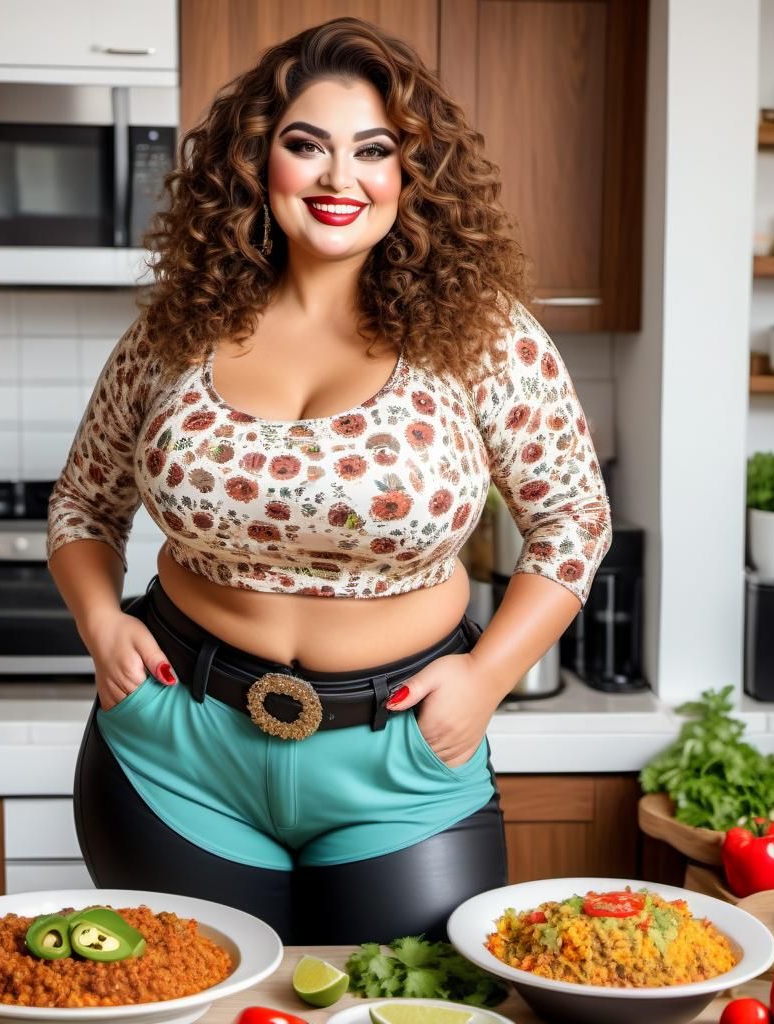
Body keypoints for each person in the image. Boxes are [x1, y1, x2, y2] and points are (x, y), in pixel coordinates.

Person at [47, 16, 611, 944]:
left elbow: (573, 518)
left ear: (411, 175)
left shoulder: (482, 333)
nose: (339, 178)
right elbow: (82, 504)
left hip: (400, 760)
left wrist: (486, 678)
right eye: (306, 145)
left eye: (374, 150)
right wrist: (101, 621)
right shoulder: (175, 332)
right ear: (256, 163)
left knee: (403, 1010)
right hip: (178, 745)